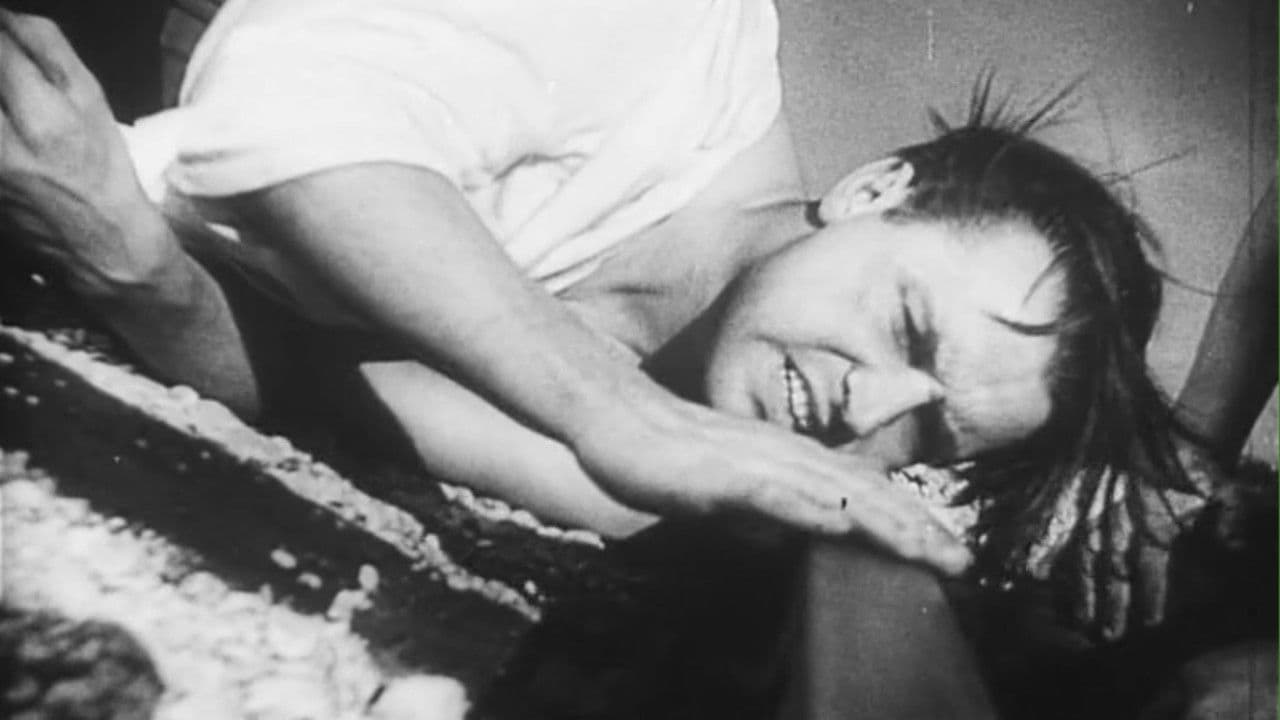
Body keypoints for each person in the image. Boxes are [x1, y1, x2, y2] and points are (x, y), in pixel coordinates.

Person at [0, 1, 1192, 595]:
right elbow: (279, 117)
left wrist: (148, 282)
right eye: (907, 327)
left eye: (925, 431)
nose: (865, 409)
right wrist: (611, 413)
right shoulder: (669, 33)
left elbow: (304, 385)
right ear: (874, 188)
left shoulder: (667, 463)